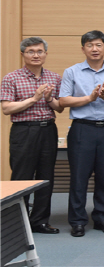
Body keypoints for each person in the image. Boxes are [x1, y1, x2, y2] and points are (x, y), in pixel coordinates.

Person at [59, 30, 104, 237]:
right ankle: (78, 221)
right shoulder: (72, 72)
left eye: (98, 45)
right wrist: (89, 98)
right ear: (83, 48)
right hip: (82, 129)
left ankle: (103, 218)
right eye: (89, 45)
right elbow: (63, 100)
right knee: (79, 178)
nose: (94, 49)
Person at [1, 37, 63, 234]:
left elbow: (59, 108)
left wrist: (48, 99)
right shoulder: (11, 78)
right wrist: (34, 99)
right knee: (22, 176)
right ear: (23, 54)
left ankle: (40, 222)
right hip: (24, 130)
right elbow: (6, 108)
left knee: (46, 177)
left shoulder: (54, 77)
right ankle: (18, 223)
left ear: (45, 54)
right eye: (30, 51)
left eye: (39, 51)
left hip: (48, 130)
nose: (35, 55)